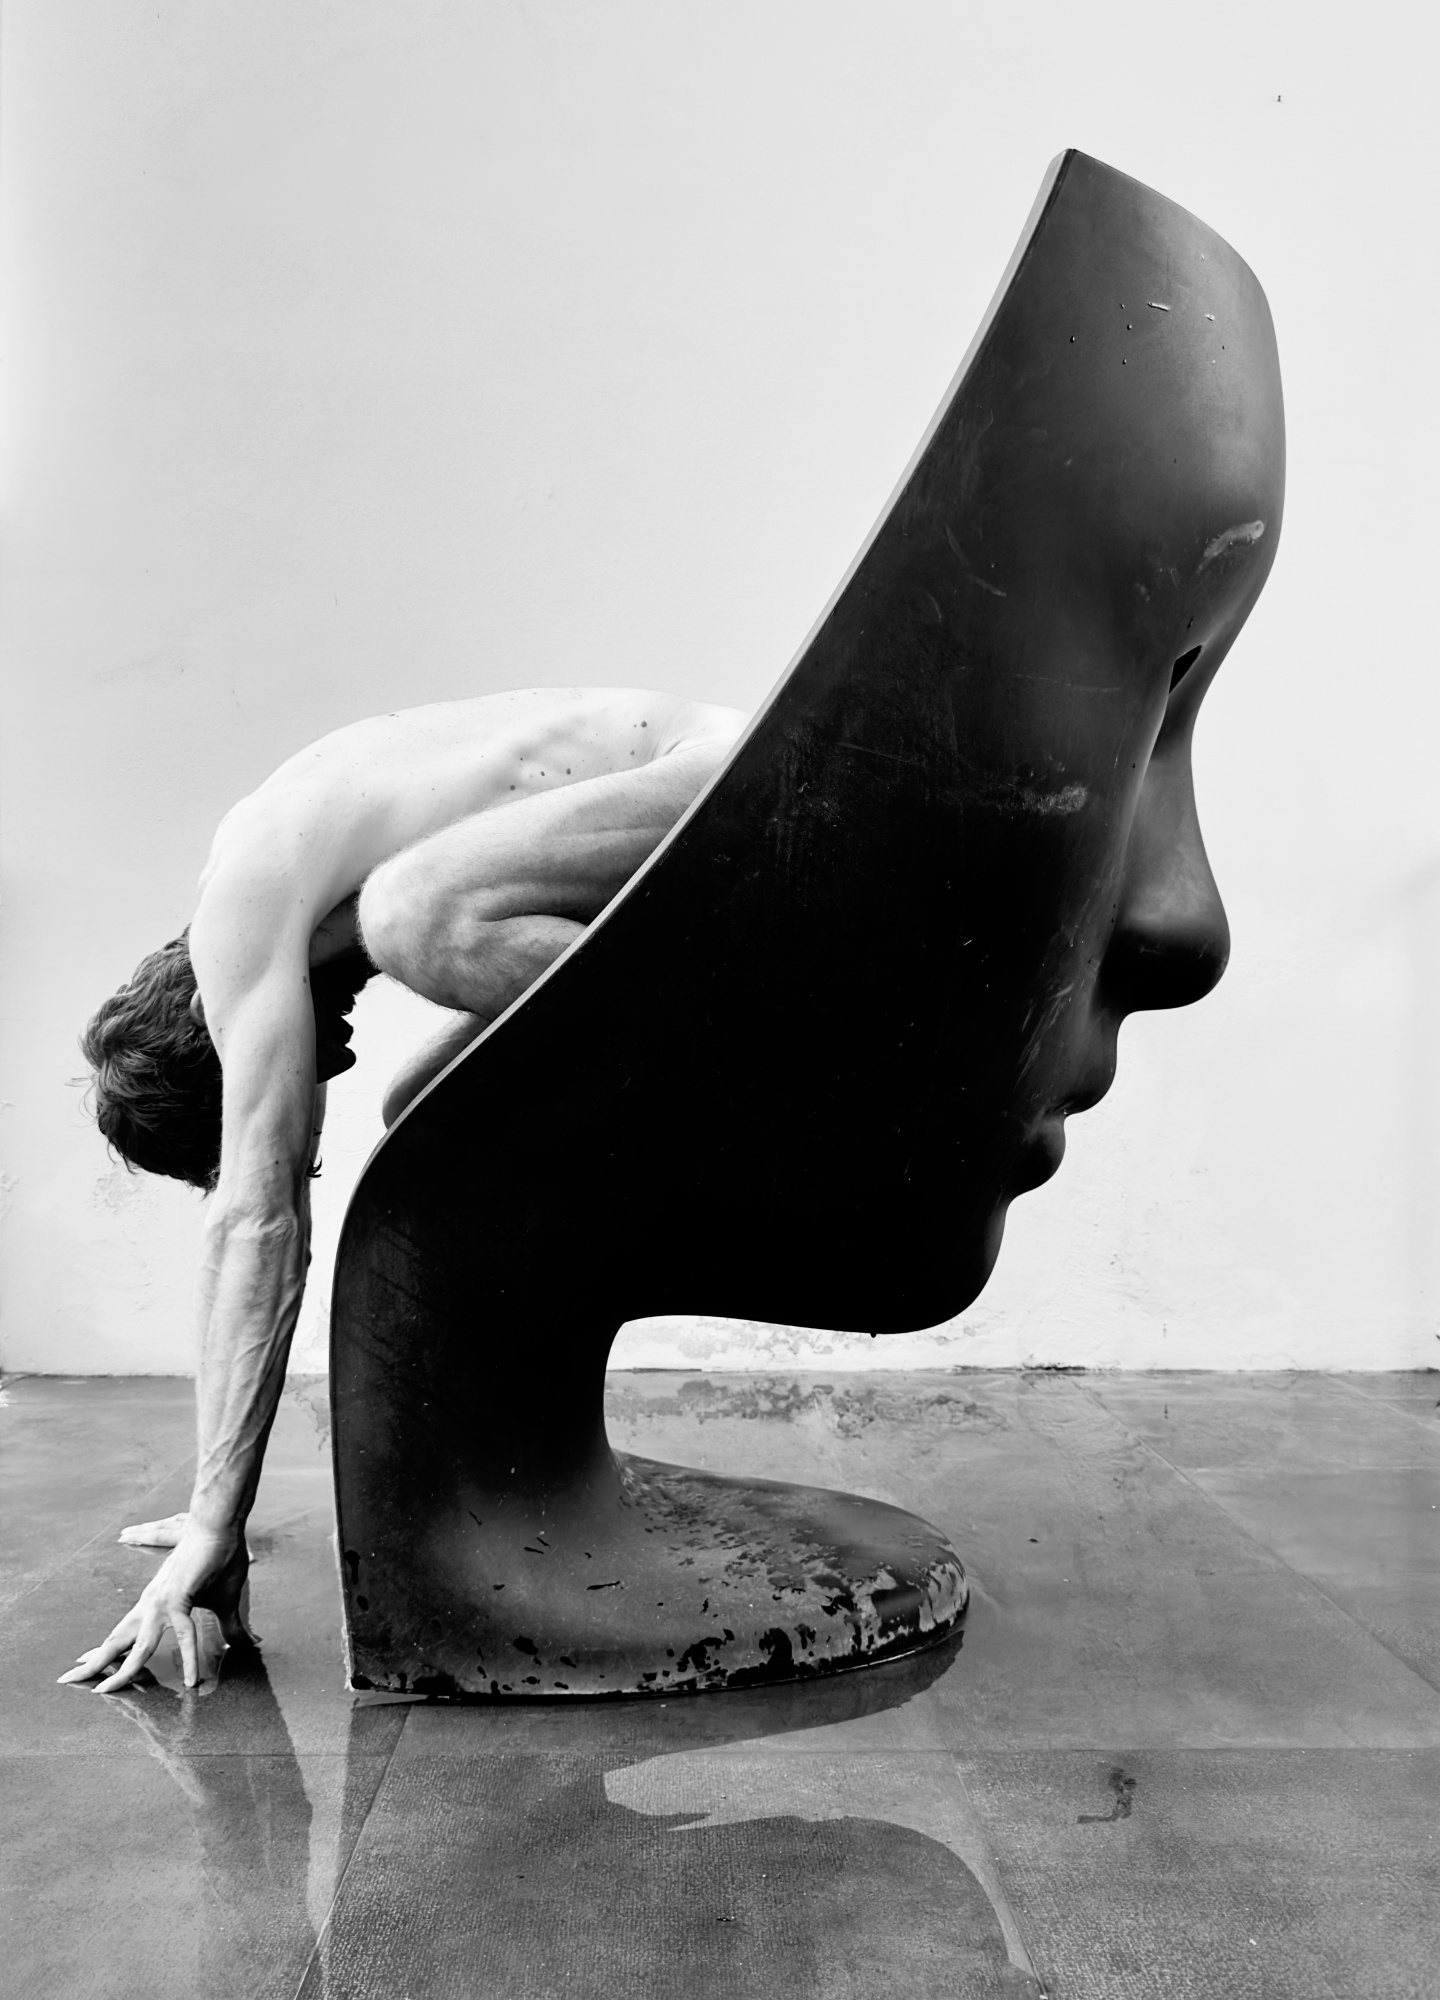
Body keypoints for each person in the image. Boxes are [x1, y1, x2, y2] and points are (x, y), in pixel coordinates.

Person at [61, 686, 747, 1694]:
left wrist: (214, 1521)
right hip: (680, 860)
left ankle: (765, 1054)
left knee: (414, 911)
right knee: (426, 1099)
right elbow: (258, 1215)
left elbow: (258, 1217)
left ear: (218, 1040)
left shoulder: (238, 915)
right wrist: (217, 1493)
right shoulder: (282, 907)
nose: (324, 1071)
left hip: (725, 772)